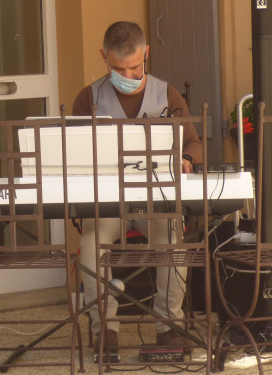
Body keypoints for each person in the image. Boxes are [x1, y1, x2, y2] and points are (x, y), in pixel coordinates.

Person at [72, 21, 203, 355]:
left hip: (153, 202)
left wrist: (187, 157)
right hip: (107, 204)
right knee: (91, 242)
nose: (128, 76)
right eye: (118, 68)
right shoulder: (88, 99)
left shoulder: (167, 95)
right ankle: (105, 329)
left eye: (134, 67)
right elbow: (72, 154)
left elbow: (193, 141)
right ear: (103, 57)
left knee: (172, 237)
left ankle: (169, 326)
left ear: (146, 54)